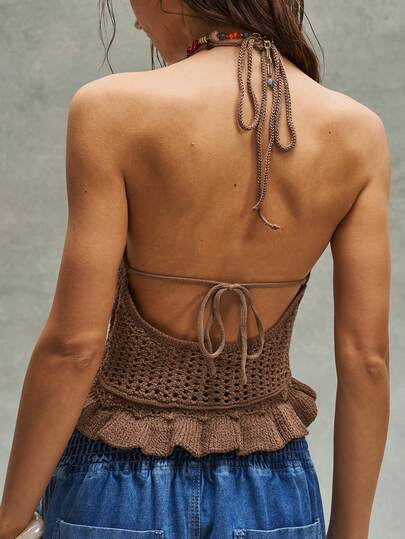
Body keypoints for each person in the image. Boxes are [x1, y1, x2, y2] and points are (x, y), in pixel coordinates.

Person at [0, 1, 391, 538]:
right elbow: (367, 360)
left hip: (116, 488)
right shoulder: (359, 133)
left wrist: (10, 521)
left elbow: (75, 347)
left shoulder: (111, 110)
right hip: (274, 496)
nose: (135, 20)